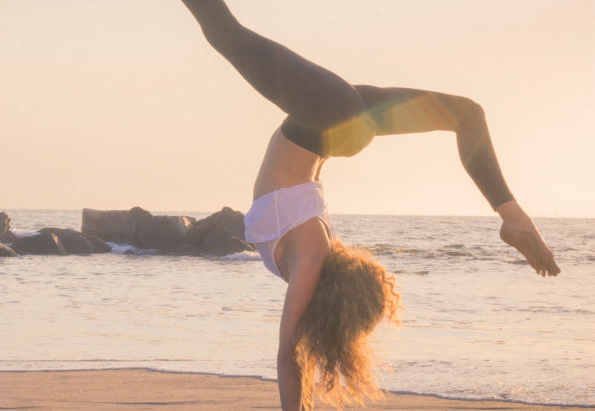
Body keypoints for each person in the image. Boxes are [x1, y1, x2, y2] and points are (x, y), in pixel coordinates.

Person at [181, 1, 561, 409]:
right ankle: (512, 216)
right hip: (329, 122)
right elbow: (293, 350)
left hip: (333, 118)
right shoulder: (309, 255)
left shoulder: (311, 254)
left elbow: (291, 351)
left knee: (225, 33)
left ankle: (513, 216)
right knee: (466, 114)